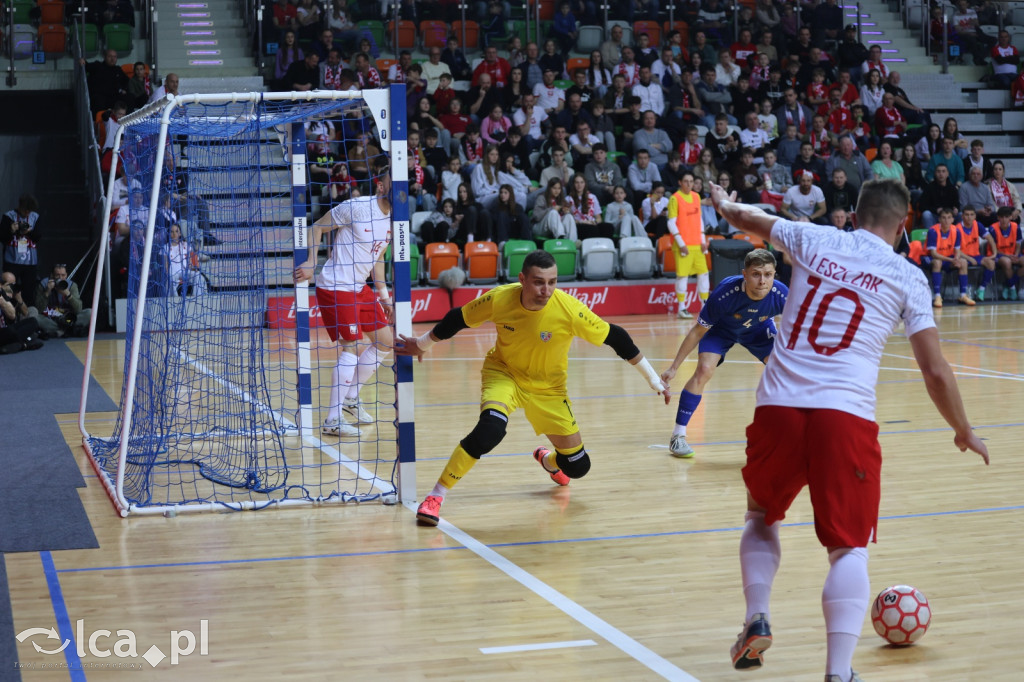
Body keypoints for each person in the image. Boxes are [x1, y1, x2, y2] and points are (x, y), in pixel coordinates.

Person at [705, 177, 990, 681]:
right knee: (847, 548)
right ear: (903, 225)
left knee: (761, 518)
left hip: (779, 407)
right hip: (847, 415)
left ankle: (757, 616)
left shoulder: (813, 237)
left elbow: (747, 219)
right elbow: (936, 371)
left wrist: (724, 201)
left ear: (853, 215)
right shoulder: (908, 277)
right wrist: (963, 428)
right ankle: (839, 673)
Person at [397, 249, 669, 525]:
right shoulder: (500, 298)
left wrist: (653, 380)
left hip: (549, 389)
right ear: (522, 279)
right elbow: (458, 318)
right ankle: (436, 496)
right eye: (539, 282)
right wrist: (421, 345)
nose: (546, 290)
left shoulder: (569, 310)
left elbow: (617, 337)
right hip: (505, 374)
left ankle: (548, 461)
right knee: (490, 429)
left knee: (577, 467)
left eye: (552, 282)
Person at [293, 167, 394, 437]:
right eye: (391, 181)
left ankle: (351, 399)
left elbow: (379, 257)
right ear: (380, 186)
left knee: (385, 340)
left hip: (360, 288)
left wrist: (384, 296)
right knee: (350, 346)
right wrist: (312, 262)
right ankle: (333, 421)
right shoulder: (357, 207)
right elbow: (317, 227)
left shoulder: (396, 220)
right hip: (336, 286)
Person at [660, 249, 787, 458]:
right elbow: (697, 332)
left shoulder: (781, 294)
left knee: (784, 373)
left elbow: (802, 329)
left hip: (758, 329)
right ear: (744, 274)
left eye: (768, 274)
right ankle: (678, 435)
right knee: (704, 370)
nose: (763, 280)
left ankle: (779, 434)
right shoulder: (725, 294)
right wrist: (674, 368)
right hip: (721, 330)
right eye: (756, 274)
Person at [666, 172, 709, 318]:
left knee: (703, 274)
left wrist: (703, 240)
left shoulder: (696, 197)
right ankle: (682, 308)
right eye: (686, 181)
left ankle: (704, 306)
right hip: (683, 245)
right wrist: (681, 243)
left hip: (697, 244)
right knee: (682, 276)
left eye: (691, 181)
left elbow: (699, 219)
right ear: (680, 182)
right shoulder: (675, 198)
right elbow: (671, 222)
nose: (689, 184)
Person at [925, 207, 976, 307]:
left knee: (963, 262)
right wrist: (951, 259)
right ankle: (937, 296)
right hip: (929, 258)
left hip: (948, 258)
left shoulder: (956, 231)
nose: (946, 220)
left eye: (949, 218)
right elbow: (933, 254)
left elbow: (957, 250)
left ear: (953, 219)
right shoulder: (933, 231)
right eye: (943, 218)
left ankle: (963, 295)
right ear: (939, 219)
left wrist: (956, 259)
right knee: (937, 262)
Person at [34, 263, 92, 336]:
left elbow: (78, 309)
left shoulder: (72, 286)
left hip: (68, 319)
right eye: (57, 275)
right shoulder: (44, 284)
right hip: (50, 318)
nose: (60, 278)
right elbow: (39, 309)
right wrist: (47, 292)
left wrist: (69, 295)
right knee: (34, 317)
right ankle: (69, 330)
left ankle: (59, 331)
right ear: (52, 275)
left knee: (90, 313)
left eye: (63, 275)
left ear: (66, 275)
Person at [2, 194, 41, 288]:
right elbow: (2, 238)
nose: (27, 213)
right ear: (20, 206)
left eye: (29, 211)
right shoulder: (9, 216)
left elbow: (38, 237)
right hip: (12, 260)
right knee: (9, 289)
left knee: (28, 291)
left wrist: (29, 231)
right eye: (26, 210)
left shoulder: (34, 217)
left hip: (30, 262)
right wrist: (11, 230)